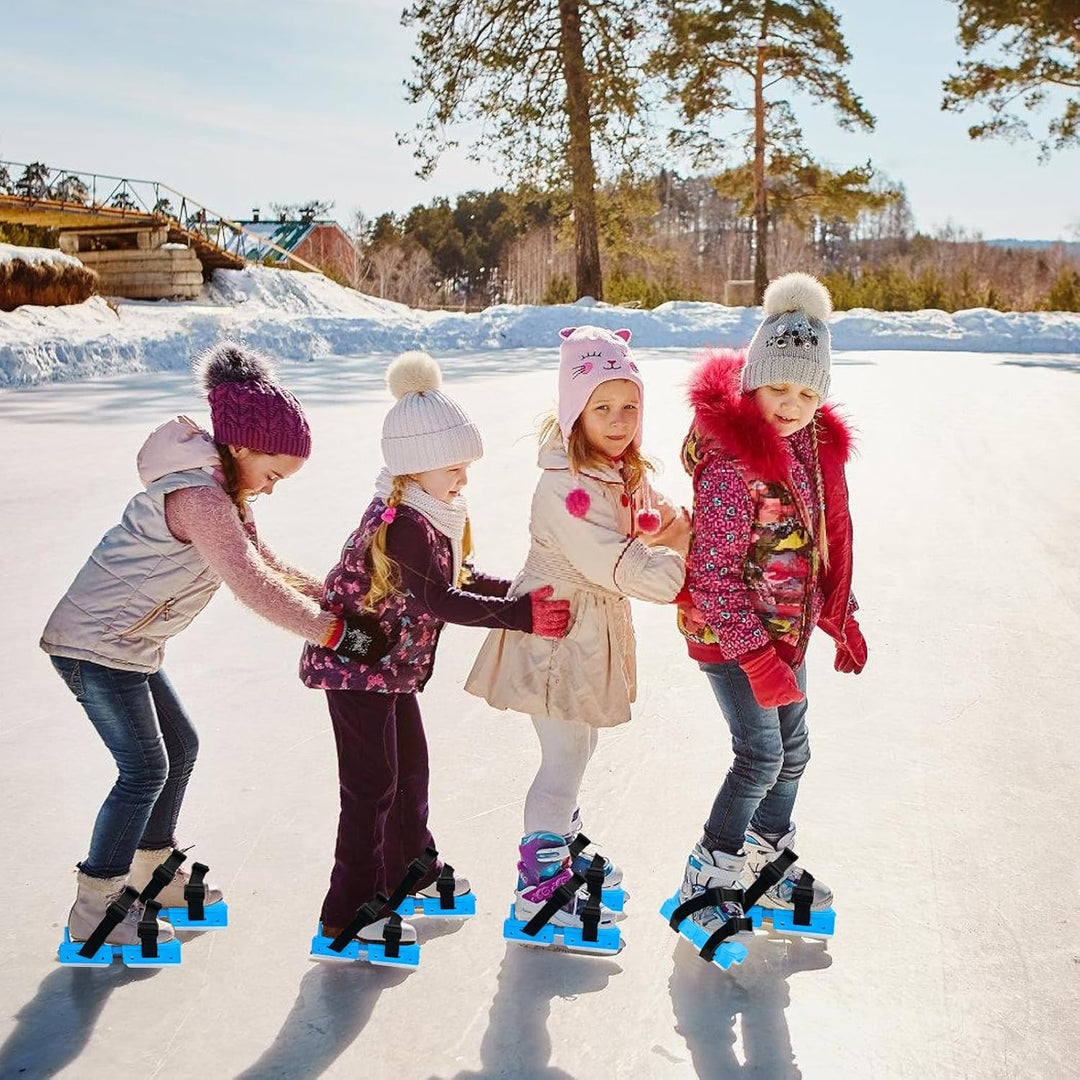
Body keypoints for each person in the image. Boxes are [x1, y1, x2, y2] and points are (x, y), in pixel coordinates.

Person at [42, 342, 383, 954]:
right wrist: (338, 634)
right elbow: (250, 584)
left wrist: (331, 598)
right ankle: (94, 905)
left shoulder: (225, 495)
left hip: (128, 644)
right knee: (144, 767)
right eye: (273, 474)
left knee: (181, 746)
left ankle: (152, 869)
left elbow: (265, 562)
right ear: (243, 449)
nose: (273, 489)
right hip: (94, 645)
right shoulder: (200, 499)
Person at [300, 351, 570, 954]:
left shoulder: (431, 515)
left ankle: (408, 868)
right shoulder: (401, 524)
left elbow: (461, 578)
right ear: (417, 464)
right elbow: (440, 601)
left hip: (386, 671)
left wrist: (519, 589)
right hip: (356, 670)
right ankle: (346, 914)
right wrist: (526, 616)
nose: (463, 479)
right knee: (370, 787)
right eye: (453, 466)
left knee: (409, 770)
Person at [466, 325, 688, 939]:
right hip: (556, 634)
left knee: (580, 747)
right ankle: (538, 893)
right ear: (575, 413)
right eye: (602, 408)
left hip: (587, 633)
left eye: (630, 407)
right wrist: (687, 575)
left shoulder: (620, 471)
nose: (618, 420)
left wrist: (685, 532)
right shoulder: (565, 486)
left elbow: (659, 519)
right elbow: (612, 560)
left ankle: (561, 848)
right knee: (563, 756)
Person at [673, 272, 866, 942]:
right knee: (759, 754)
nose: (790, 403)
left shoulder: (807, 450)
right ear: (754, 379)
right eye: (779, 386)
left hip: (786, 631)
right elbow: (712, 576)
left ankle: (764, 859)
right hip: (731, 637)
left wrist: (841, 612)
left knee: (795, 750)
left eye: (807, 391)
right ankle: (710, 873)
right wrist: (755, 658)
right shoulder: (731, 464)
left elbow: (811, 540)